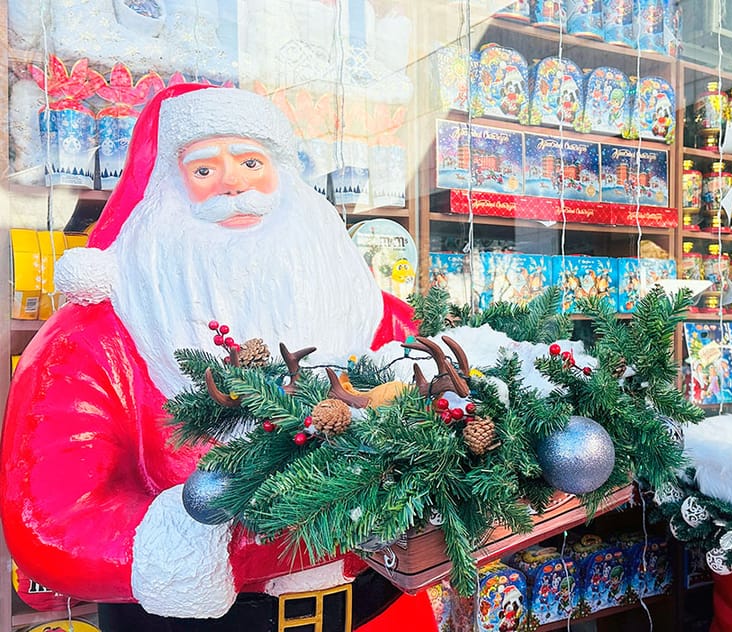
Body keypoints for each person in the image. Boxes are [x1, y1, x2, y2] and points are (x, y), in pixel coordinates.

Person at [1, 83, 435, 631]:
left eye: (252, 162)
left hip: (383, 612)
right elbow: (52, 523)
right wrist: (213, 543)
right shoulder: (91, 341)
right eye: (204, 169)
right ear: (161, 189)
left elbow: (451, 435)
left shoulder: (378, 315)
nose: (234, 183)